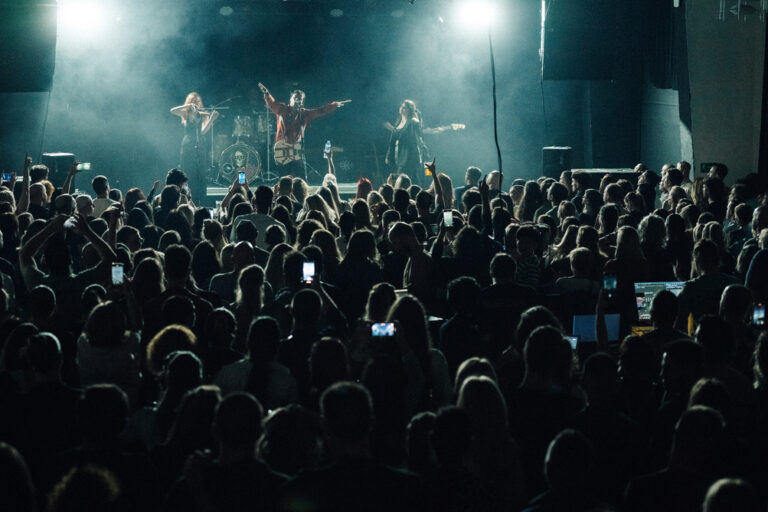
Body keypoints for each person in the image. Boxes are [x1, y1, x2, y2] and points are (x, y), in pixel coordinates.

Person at [258, 82, 349, 176]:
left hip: (296, 147)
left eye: (300, 99)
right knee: (284, 177)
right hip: (282, 147)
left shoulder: (304, 114)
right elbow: (272, 103)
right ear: (291, 99)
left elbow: (320, 111)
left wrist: (334, 105)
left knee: (301, 176)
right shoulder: (282, 109)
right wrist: (267, 93)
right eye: (295, 98)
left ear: (302, 102)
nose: (298, 101)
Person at [170, 92, 219, 204]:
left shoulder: (202, 114)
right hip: (188, 145)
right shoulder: (185, 113)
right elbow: (172, 110)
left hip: (200, 145)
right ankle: (187, 199)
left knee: (201, 172)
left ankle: (202, 199)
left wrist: (211, 119)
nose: (196, 103)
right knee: (188, 172)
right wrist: (187, 106)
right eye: (193, 101)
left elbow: (203, 131)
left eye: (197, 101)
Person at [385, 100, 428, 179]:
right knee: (407, 179)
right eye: (402, 107)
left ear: (410, 110)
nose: (403, 109)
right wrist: (388, 155)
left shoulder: (413, 122)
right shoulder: (398, 122)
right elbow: (392, 142)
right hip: (397, 156)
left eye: (405, 108)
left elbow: (419, 139)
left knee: (404, 179)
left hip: (409, 157)